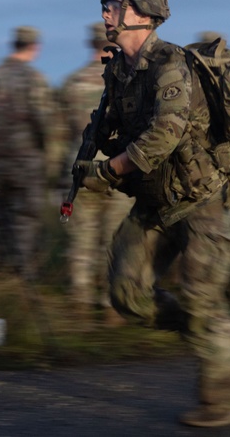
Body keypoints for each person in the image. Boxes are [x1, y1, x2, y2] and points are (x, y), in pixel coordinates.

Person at [81, 0, 230, 427]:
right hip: (155, 202)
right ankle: (213, 332)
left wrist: (110, 170)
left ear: (141, 12)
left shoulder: (169, 64)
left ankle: (225, 399)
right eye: (105, 4)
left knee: (200, 301)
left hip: (203, 202)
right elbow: (116, 126)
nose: (105, 13)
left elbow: (166, 134)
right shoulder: (119, 69)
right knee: (125, 295)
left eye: (114, 5)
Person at [58, 22, 131, 327]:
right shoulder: (126, 82)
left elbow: (57, 134)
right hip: (116, 168)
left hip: (81, 166)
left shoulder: (71, 83)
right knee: (115, 237)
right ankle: (111, 306)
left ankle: (80, 303)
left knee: (83, 237)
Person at [0, 26, 54, 271]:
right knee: (25, 218)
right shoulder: (35, 79)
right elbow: (44, 121)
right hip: (26, 162)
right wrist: (48, 154)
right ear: (34, 47)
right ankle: (23, 274)